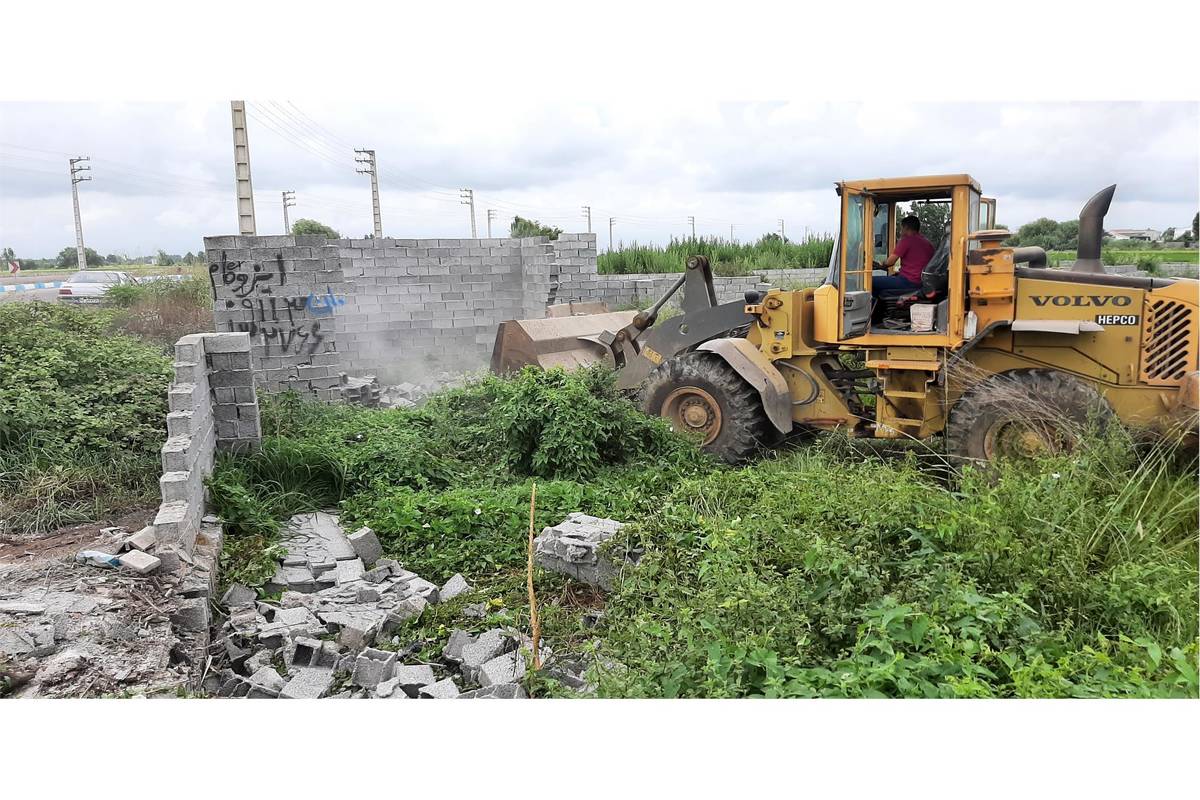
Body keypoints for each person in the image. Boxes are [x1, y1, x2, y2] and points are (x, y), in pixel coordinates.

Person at [872, 215, 934, 299]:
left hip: (908, 281)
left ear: (906, 228)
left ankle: (873, 306)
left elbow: (890, 262)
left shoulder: (907, 240)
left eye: (902, 228)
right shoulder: (928, 243)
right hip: (921, 282)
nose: (901, 231)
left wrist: (879, 264)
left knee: (870, 281)